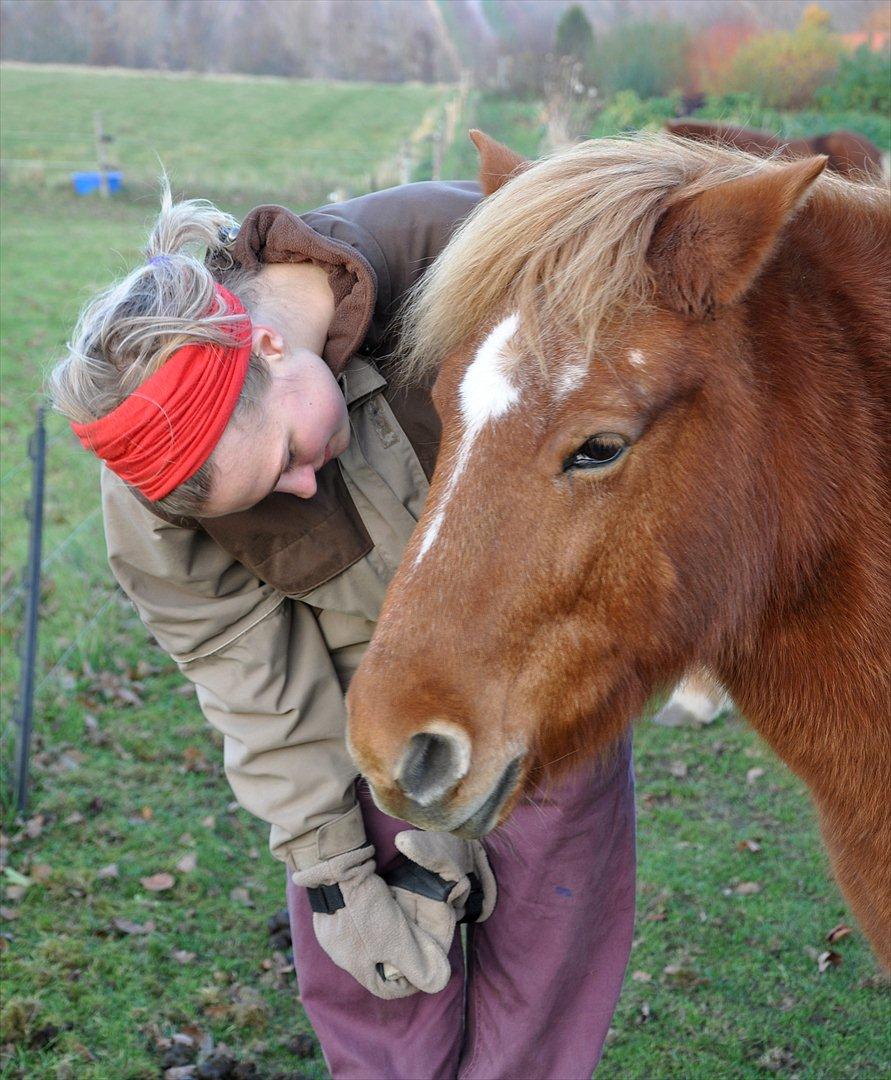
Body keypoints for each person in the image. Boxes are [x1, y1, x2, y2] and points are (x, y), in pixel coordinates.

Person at [49, 171, 637, 1079]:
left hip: (547, 682)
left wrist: (479, 783)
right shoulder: (156, 483)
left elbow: (630, 470)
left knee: (545, 959)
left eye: (287, 455)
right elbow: (240, 667)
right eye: (268, 494)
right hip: (365, 718)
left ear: (269, 346)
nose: (298, 488)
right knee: (380, 981)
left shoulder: (466, 250)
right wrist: (335, 873)